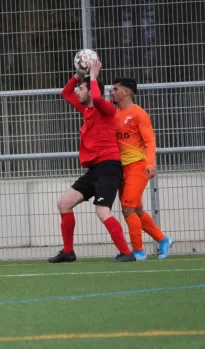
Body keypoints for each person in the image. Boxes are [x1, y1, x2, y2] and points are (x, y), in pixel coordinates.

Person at [48, 60, 135, 263]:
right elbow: (66, 93)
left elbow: (96, 96)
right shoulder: (87, 110)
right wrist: (79, 75)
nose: (78, 91)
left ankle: (126, 253)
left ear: (91, 90)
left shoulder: (106, 109)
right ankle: (68, 252)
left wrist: (94, 76)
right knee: (64, 204)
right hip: (94, 169)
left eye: (82, 88)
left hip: (109, 167)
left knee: (102, 211)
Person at [111, 77, 173, 260]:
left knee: (127, 209)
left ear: (126, 92)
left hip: (137, 166)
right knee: (136, 210)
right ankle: (163, 240)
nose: (111, 92)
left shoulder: (139, 114)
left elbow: (150, 141)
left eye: (115, 89)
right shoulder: (113, 114)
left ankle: (138, 252)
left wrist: (149, 163)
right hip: (121, 168)